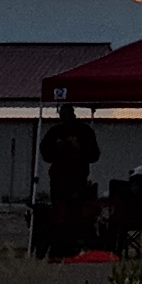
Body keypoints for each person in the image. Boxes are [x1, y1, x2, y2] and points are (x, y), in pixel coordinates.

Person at [36, 94, 101, 260]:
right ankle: (60, 247)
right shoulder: (55, 132)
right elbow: (45, 153)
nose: (66, 118)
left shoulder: (84, 131)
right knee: (59, 214)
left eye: (69, 114)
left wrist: (78, 147)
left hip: (77, 179)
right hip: (59, 180)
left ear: (74, 114)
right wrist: (58, 147)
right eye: (63, 115)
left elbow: (94, 155)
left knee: (75, 212)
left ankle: (74, 244)